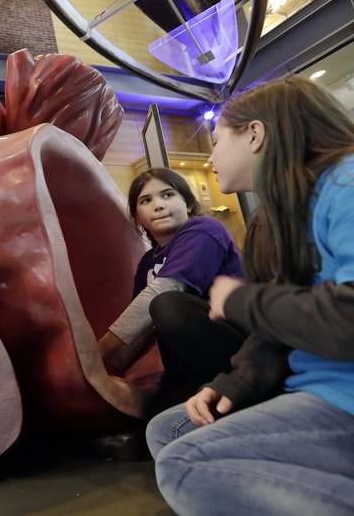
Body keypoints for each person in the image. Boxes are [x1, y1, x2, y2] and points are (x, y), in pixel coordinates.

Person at [146, 75, 354, 515]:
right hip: (308, 383)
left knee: (183, 464)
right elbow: (282, 327)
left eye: (217, 140)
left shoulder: (346, 184)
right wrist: (234, 384)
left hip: (343, 396)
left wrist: (241, 301)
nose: (212, 156)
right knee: (168, 432)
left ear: (255, 134)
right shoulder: (281, 217)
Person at [97, 168, 244, 418]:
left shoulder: (203, 229)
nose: (159, 205)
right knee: (156, 421)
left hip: (235, 354)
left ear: (187, 204)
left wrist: (99, 351)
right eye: (146, 200)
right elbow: (142, 326)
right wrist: (109, 367)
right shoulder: (146, 262)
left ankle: (246, 385)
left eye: (167, 195)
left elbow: (166, 289)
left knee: (165, 303)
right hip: (187, 371)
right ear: (137, 217)